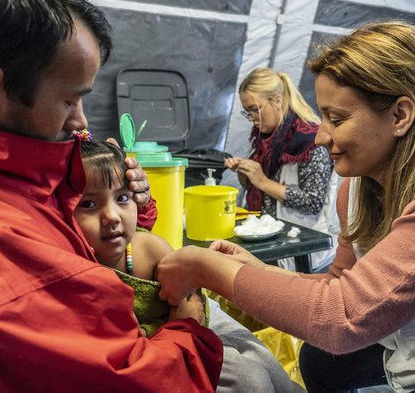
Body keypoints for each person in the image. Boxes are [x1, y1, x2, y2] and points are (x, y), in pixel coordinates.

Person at [156, 20, 415, 392]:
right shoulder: (358, 185)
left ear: (400, 115)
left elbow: (342, 318)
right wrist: (256, 271)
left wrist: (210, 269)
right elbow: (342, 285)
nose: (321, 137)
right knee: (321, 360)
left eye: (337, 118)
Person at [0, 0, 223, 391]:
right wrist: (191, 323)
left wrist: (137, 205)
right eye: (69, 100)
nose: (81, 121)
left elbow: (63, 227)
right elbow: (146, 382)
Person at [75, 139, 294, 393]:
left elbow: (190, 299)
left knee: (274, 372)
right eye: (89, 204)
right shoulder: (82, 278)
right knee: (252, 382)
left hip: (199, 319)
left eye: (122, 198)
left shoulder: (149, 247)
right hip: (164, 344)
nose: (112, 216)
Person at [225, 67, 338, 271]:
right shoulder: (266, 138)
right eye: (246, 111)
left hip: (302, 248)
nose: (250, 117)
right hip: (273, 241)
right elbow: (255, 188)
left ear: (277, 101)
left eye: (254, 108)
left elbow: (312, 201)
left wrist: (263, 182)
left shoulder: (310, 141)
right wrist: (245, 174)